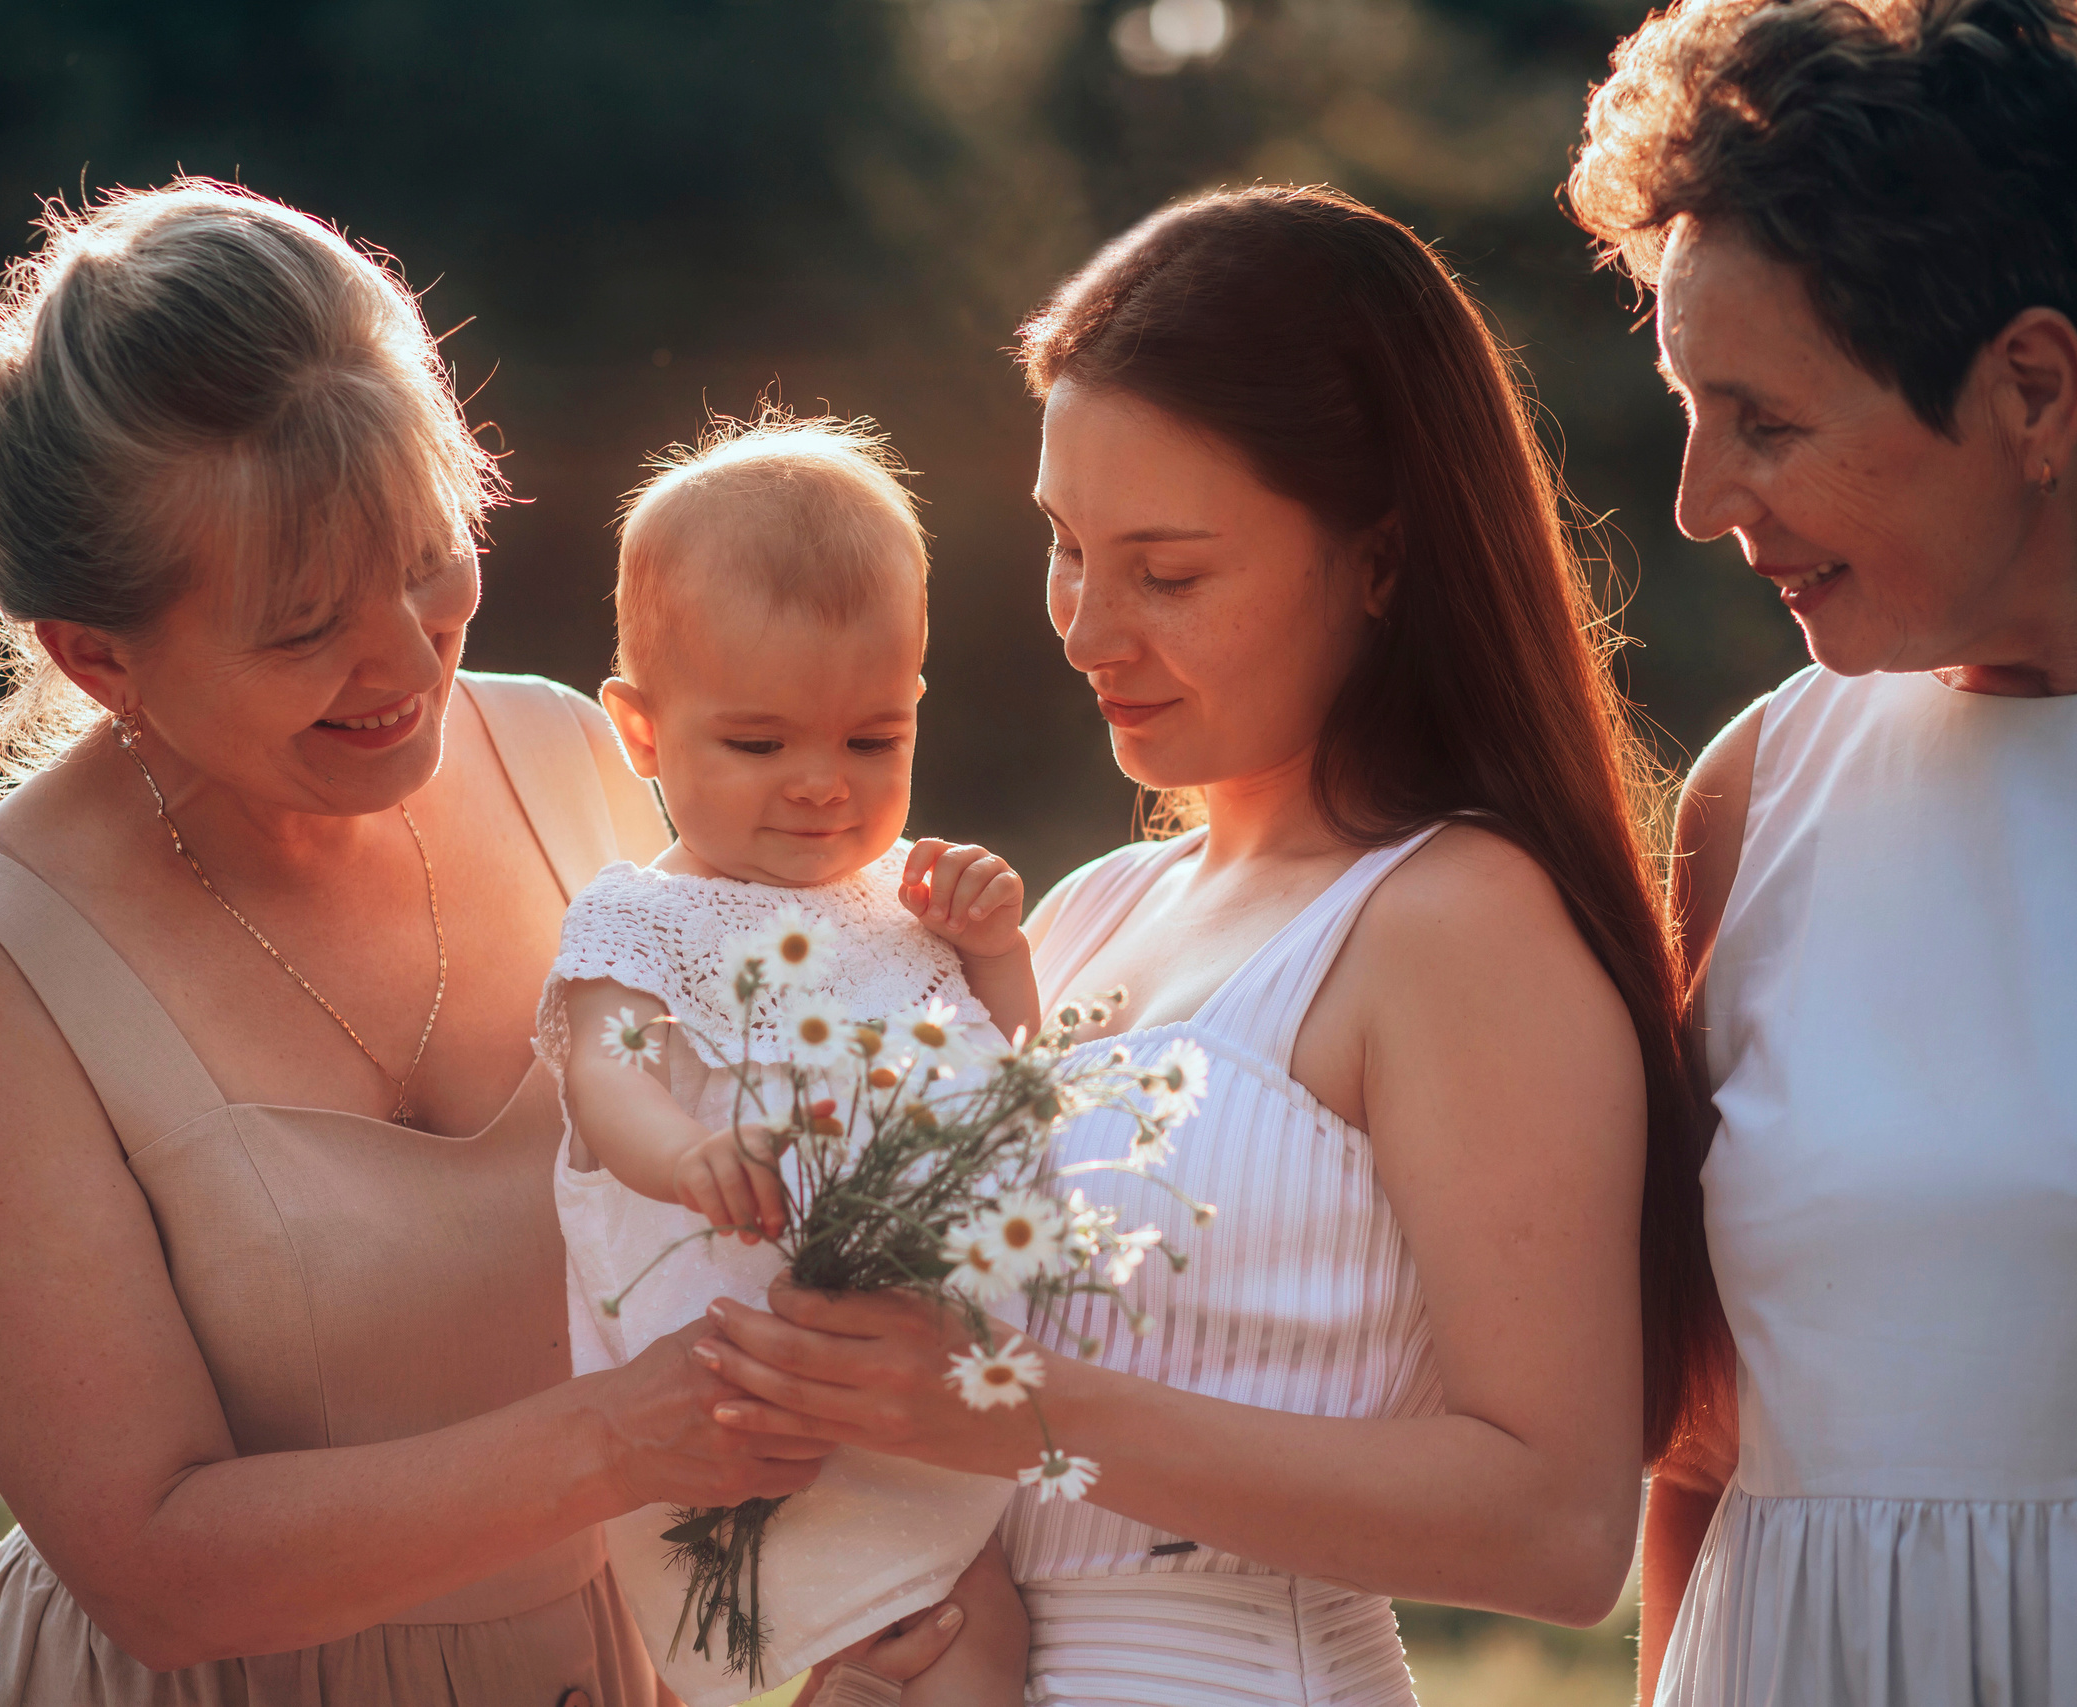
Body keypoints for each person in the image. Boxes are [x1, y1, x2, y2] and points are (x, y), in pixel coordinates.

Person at [0, 180, 959, 1705]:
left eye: (428, 555)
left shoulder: (580, 759)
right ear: (96, 654)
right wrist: (615, 1441)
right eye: (304, 622)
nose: (404, 656)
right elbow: (156, 1568)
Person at [686, 184, 1730, 1707]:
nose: (1086, 627)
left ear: (1379, 561)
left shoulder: (1454, 921)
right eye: (1065, 546)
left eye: (1168, 573)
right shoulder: (1090, 909)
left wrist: (1012, 1409)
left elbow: (1561, 1533)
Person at [1565, 1, 2077, 1700]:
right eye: (1687, 405)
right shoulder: (1755, 796)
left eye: (1763, 419)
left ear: (2033, 385)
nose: (1693, 498)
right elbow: (1700, 1445)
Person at [543, 411, 1033, 1705]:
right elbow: (602, 1077)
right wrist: (690, 1153)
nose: (823, 785)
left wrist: (993, 955)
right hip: (741, 1403)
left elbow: (1010, 1083)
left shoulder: (898, 912)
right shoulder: (641, 921)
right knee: (917, 1634)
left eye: (872, 740)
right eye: (760, 744)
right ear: (642, 735)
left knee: (979, 1633)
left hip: (920, 1382)